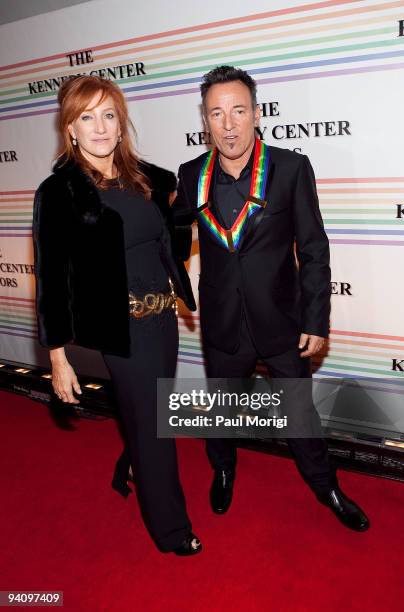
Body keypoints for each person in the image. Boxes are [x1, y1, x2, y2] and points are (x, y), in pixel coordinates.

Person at [172, 65, 369, 532]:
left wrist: (316, 320)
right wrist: (172, 285)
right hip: (222, 322)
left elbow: (315, 249)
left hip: (281, 320)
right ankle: (222, 468)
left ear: (256, 113)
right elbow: (173, 235)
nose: (228, 124)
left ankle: (327, 488)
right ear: (206, 120)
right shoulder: (191, 174)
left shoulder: (290, 169)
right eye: (216, 113)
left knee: (300, 413)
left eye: (238, 110)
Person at [33, 75, 202, 555]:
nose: (100, 127)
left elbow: (165, 237)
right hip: (122, 329)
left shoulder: (144, 178)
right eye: (87, 117)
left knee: (150, 412)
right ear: (70, 128)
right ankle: (171, 530)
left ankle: (129, 465)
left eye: (109, 115)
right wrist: (58, 357)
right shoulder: (61, 192)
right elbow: (51, 275)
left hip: (162, 320)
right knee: (155, 426)